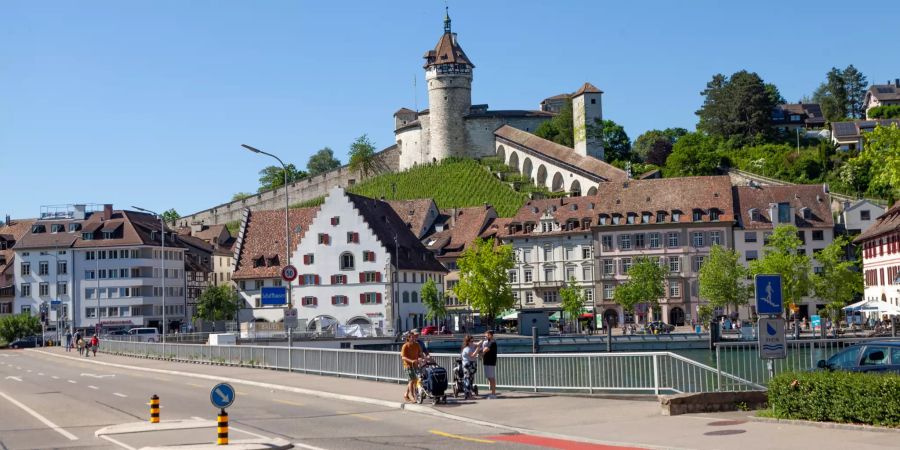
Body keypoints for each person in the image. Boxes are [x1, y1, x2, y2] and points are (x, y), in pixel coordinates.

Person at [400, 331, 423, 403]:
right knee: (412, 380)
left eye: (414, 337)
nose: (413, 338)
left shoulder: (417, 345)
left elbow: (420, 353)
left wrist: (423, 358)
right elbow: (403, 357)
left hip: (415, 365)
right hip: (408, 366)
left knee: (415, 380)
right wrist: (411, 361)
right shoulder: (405, 346)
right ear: (408, 338)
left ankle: (406, 394)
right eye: (412, 337)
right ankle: (413, 396)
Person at [461, 335, 480, 399]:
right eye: (471, 341)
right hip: (467, 366)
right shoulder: (467, 349)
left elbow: (477, 344)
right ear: (468, 342)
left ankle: (469, 394)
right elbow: (473, 355)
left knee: (470, 380)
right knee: (467, 379)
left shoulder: (471, 346)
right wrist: (477, 348)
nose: (473, 342)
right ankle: (468, 395)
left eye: (473, 341)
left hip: (471, 366)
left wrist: (479, 343)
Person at [481, 330, 498, 398]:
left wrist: (479, 351)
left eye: (487, 335)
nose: (485, 336)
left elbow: (486, 349)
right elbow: (484, 349)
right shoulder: (488, 342)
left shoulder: (492, 342)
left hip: (491, 362)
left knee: (491, 378)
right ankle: (492, 392)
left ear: (491, 335)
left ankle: (493, 394)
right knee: (489, 377)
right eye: (485, 335)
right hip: (486, 361)